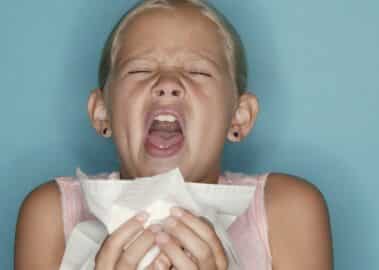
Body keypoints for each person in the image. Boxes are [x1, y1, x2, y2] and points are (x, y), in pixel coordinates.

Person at [14, 0, 333, 269]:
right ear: (102, 113)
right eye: (140, 70)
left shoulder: (287, 210)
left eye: (198, 72)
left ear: (239, 117)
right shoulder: (52, 215)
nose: (167, 83)